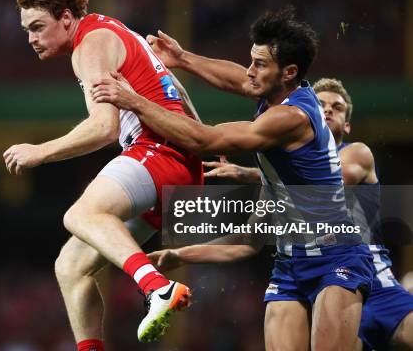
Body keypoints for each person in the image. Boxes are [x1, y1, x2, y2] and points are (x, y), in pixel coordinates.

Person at [91, 7, 375, 351]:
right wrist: (182, 58)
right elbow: (248, 242)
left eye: (260, 65)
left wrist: (134, 101)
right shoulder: (278, 93)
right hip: (290, 262)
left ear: (289, 72)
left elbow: (204, 140)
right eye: (251, 60)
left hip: (337, 257)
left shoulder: (291, 117)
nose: (250, 72)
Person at [4, 0, 202, 347]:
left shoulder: (89, 45)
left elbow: (104, 127)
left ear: (65, 17)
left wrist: (39, 151)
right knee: (70, 267)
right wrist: (202, 138)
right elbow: (174, 87)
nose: (31, 38)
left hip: (158, 153)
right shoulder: (110, 29)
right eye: (26, 30)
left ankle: (157, 288)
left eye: (37, 27)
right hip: (177, 163)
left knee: (79, 215)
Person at [151, 78, 413, 350]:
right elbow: (246, 242)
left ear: (347, 124)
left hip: (372, 282)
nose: (327, 110)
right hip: (306, 279)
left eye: (337, 107)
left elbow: (327, 183)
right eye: (320, 104)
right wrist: (180, 254)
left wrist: (253, 175)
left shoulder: (356, 153)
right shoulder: (276, 178)